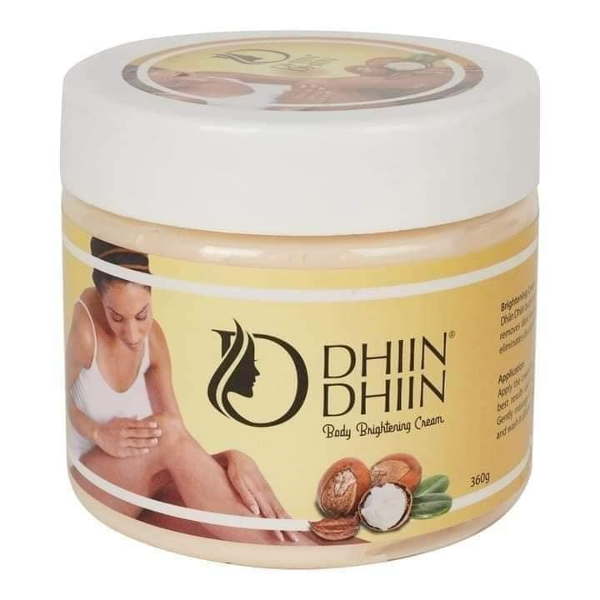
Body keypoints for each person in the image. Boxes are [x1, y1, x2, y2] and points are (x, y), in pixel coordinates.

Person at [66, 238, 307, 544]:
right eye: (117, 318)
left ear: (152, 293)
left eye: (142, 315)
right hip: (96, 481)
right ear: (101, 300)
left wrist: (230, 458)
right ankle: (297, 554)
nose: (132, 334)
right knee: (167, 433)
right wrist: (99, 433)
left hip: (143, 485)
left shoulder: (154, 339)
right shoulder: (86, 331)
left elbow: (179, 437)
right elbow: (57, 399)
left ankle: (309, 547)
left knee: (238, 517)